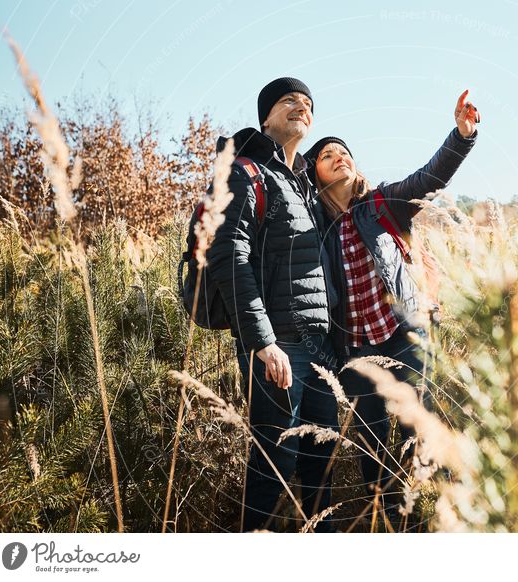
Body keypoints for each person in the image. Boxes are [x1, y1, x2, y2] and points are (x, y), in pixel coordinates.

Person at [303, 90, 479, 525]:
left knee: (418, 430)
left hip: (406, 334)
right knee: (372, 443)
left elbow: (428, 179)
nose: (339, 156)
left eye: (344, 151)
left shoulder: (380, 204)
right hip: (357, 350)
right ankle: (386, 520)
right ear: (316, 173)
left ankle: (431, 519)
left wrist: (461, 136)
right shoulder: (317, 229)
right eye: (328, 154)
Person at [207, 77, 338, 532]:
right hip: (278, 346)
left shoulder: (302, 184)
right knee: (273, 466)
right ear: (266, 117)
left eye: (307, 103)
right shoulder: (244, 172)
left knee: (321, 470)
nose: (300, 107)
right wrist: (262, 342)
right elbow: (227, 254)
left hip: (319, 349)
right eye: (289, 101)